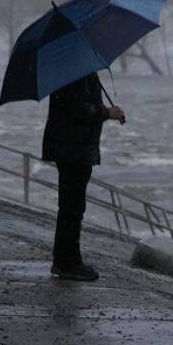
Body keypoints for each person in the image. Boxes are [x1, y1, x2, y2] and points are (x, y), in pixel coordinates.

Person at [41, 71, 125, 281]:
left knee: (71, 206)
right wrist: (108, 113)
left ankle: (65, 259)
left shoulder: (73, 70)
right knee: (72, 207)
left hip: (73, 147)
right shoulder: (76, 74)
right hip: (73, 148)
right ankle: (68, 262)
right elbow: (80, 110)